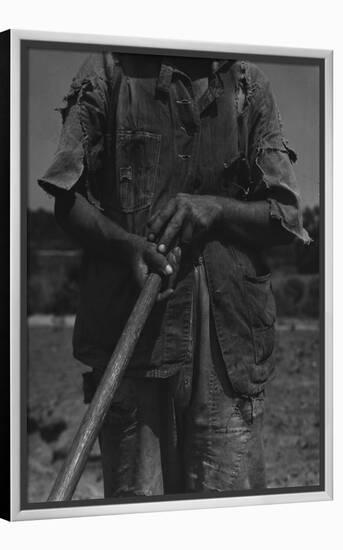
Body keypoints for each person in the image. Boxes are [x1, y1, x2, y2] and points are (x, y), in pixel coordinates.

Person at [38, 52, 310, 497]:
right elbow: (67, 200)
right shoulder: (109, 73)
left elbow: (286, 215)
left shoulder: (247, 84)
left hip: (229, 342)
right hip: (131, 334)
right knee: (137, 516)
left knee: (228, 518)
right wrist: (126, 245)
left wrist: (216, 209)